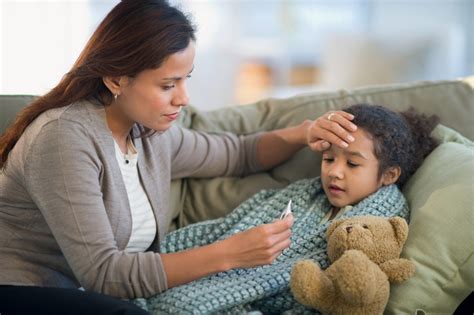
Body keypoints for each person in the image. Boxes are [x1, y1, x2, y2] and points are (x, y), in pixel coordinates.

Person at [0, 1, 358, 314]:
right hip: (21, 292)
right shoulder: (64, 137)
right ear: (115, 79)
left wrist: (303, 133)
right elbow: (104, 275)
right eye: (168, 85)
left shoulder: (149, 133)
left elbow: (237, 154)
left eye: (186, 79)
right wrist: (228, 254)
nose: (183, 98)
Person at [134, 104, 440, 314]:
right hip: (219, 272)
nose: (335, 172)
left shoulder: (380, 224)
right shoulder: (302, 194)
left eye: (353, 163)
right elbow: (230, 227)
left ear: (389, 175)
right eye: (329, 158)